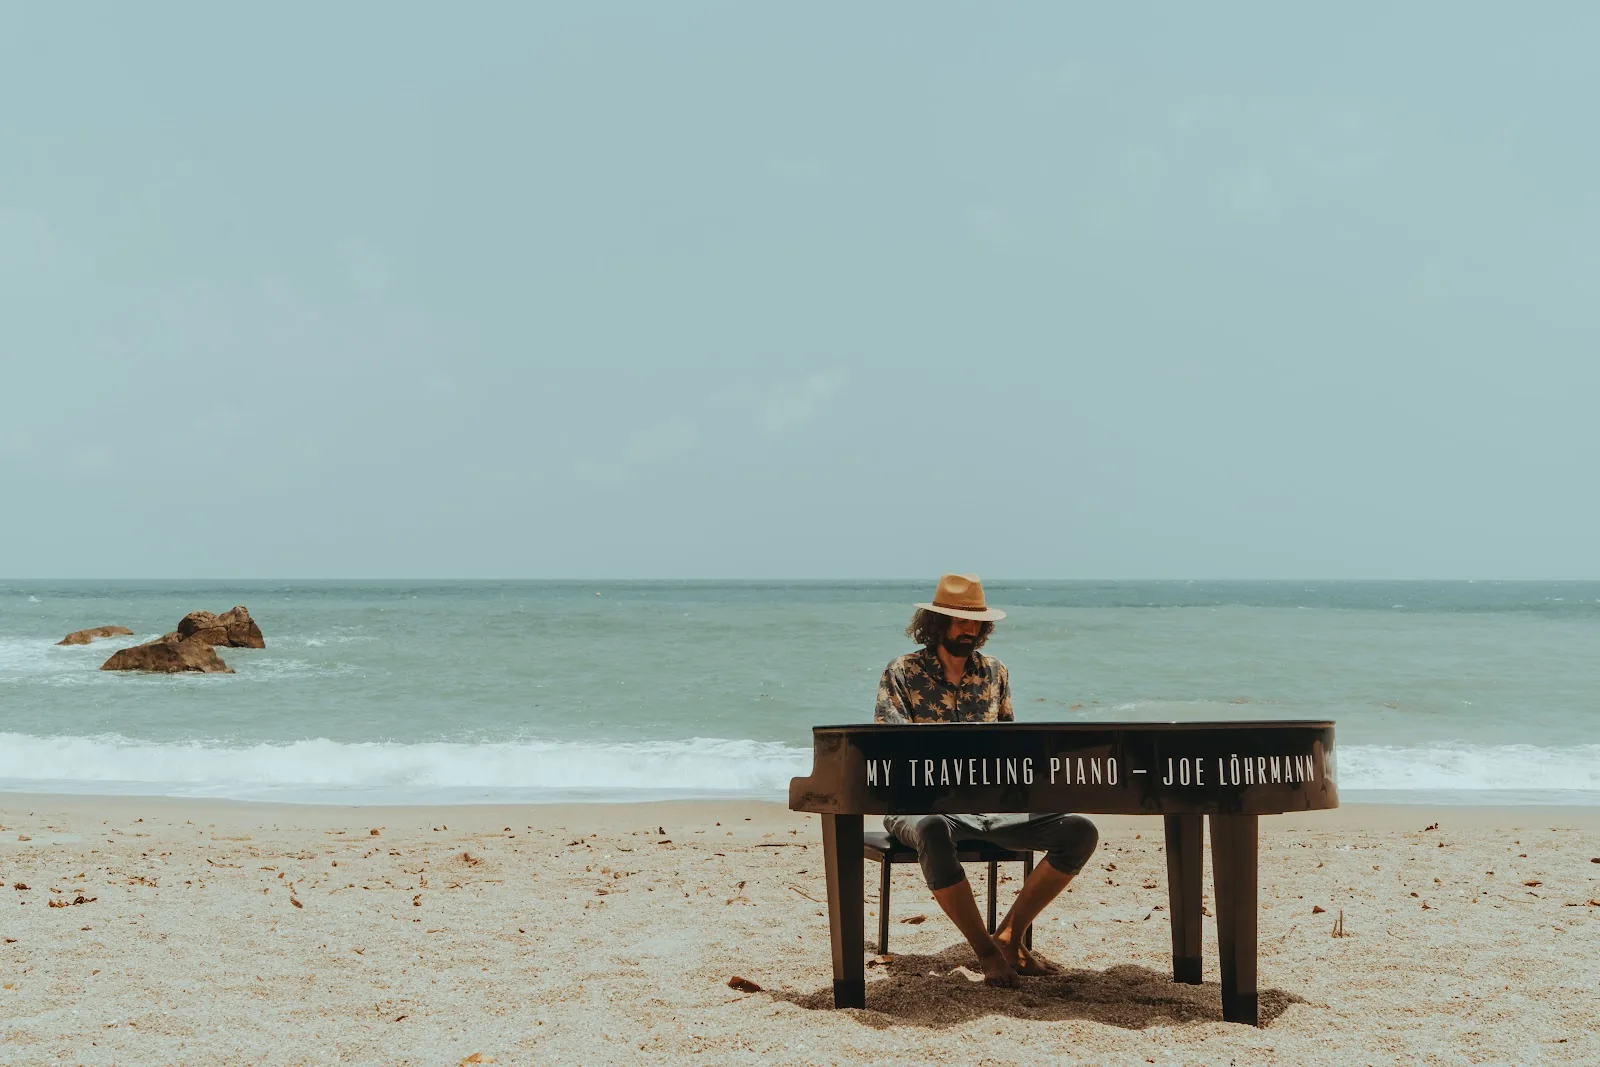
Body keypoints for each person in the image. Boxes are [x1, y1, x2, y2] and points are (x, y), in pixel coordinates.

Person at [874, 573, 1099, 986]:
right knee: (933, 828)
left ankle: (1010, 935)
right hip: (919, 806)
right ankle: (985, 951)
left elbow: (1010, 746)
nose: (970, 629)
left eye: (976, 621)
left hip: (991, 805)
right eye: (960, 620)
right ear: (936, 622)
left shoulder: (995, 673)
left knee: (1080, 830)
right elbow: (890, 747)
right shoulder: (902, 671)